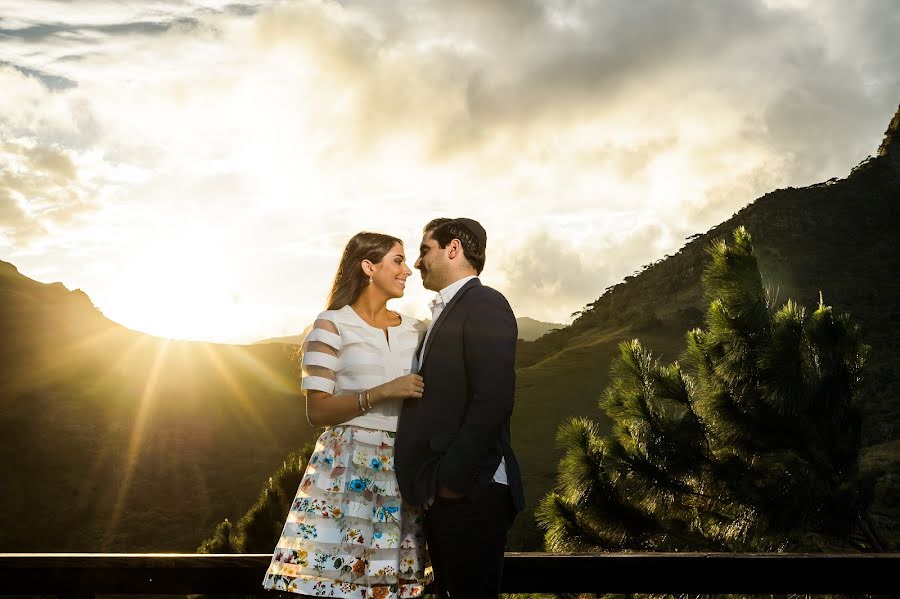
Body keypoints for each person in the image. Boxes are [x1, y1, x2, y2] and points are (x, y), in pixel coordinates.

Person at [263, 232, 433, 599]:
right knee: (339, 585)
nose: (408, 270)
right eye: (398, 261)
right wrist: (383, 391)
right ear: (368, 267)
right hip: (347, 469)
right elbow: (318, 410)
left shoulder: (417, 330)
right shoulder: (331, 325)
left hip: (402, 468)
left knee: (393, 586)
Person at [395, 218, 525, 598]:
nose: (417, 263)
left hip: (473, 491)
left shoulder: (485, 303)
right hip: (452, 494)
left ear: (453, 249)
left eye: (424, 250)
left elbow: (495, 398)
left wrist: (452, 481)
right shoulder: (447, 310)